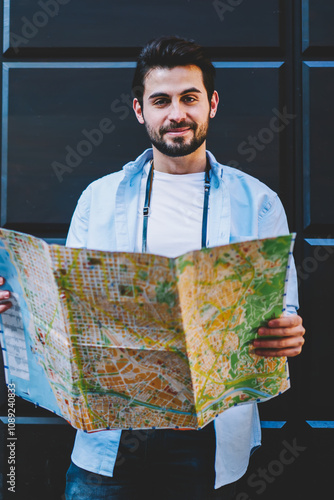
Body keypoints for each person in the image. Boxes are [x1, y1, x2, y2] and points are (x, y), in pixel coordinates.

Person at [0, 36, 305, 499]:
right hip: (111, 434)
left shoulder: (259, 203)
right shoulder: (98, 199)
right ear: (140, 110)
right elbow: (65, 317)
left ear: (212, 104)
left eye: (189, 98)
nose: (176, 113)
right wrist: (17, 306)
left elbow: (284, 310)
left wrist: (289, 332)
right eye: (161, 100)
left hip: (212, 431)